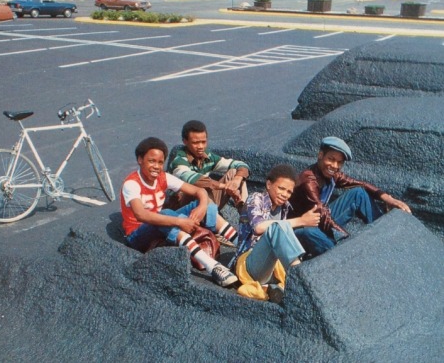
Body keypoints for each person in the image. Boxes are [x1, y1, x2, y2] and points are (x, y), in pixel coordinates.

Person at [120, 137, 238, 288]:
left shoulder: (164, 177)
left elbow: (199, 190)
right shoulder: (132, 183)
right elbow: (141, 215)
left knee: (206, 206)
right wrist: (180, 222)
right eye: (151, 161)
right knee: (166, 213)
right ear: (140, 160)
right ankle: (213, 266)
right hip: (137, 236)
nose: (156, 166)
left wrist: (201, 207)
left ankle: (242, 246)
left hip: (162, 225)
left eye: (160, 162)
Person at [289, 136, 412, 259]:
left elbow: (361, 184)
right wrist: (347, 239)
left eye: (339, 162)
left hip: (320, 221)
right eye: (331, 159)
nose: (334, 166)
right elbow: (321, 212)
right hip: (299, 229)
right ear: (320, 155)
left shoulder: (332, 175)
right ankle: (343, 256)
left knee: (358, 193)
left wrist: (389, 199)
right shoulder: (308, 179)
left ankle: (385, 232)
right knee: (311, 233)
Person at [230, 165, 320, 303]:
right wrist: (301, 221)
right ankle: (300, 274)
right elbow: (258, 227)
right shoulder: (255, 198)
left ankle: (274, 287)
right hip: (248, 263)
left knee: (283, 230)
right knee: (277, 228)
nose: (285, 194)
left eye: (289, 191)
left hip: (269, 267)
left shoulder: (284, 208)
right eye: (281, 188)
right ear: (269, 184)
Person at [168, 120, 250, 245]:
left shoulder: (208, 157)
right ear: (185, 141)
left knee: (234, 172)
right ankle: (218, 231)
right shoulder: (179, 160)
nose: (200, 146)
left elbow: (241, 165)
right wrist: (224, 186)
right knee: (201, 188)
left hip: (207, 204)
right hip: (185, 208)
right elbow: (194, 179)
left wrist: (236, 180)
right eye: (195, 143)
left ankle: (246, 216)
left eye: (203, 142)